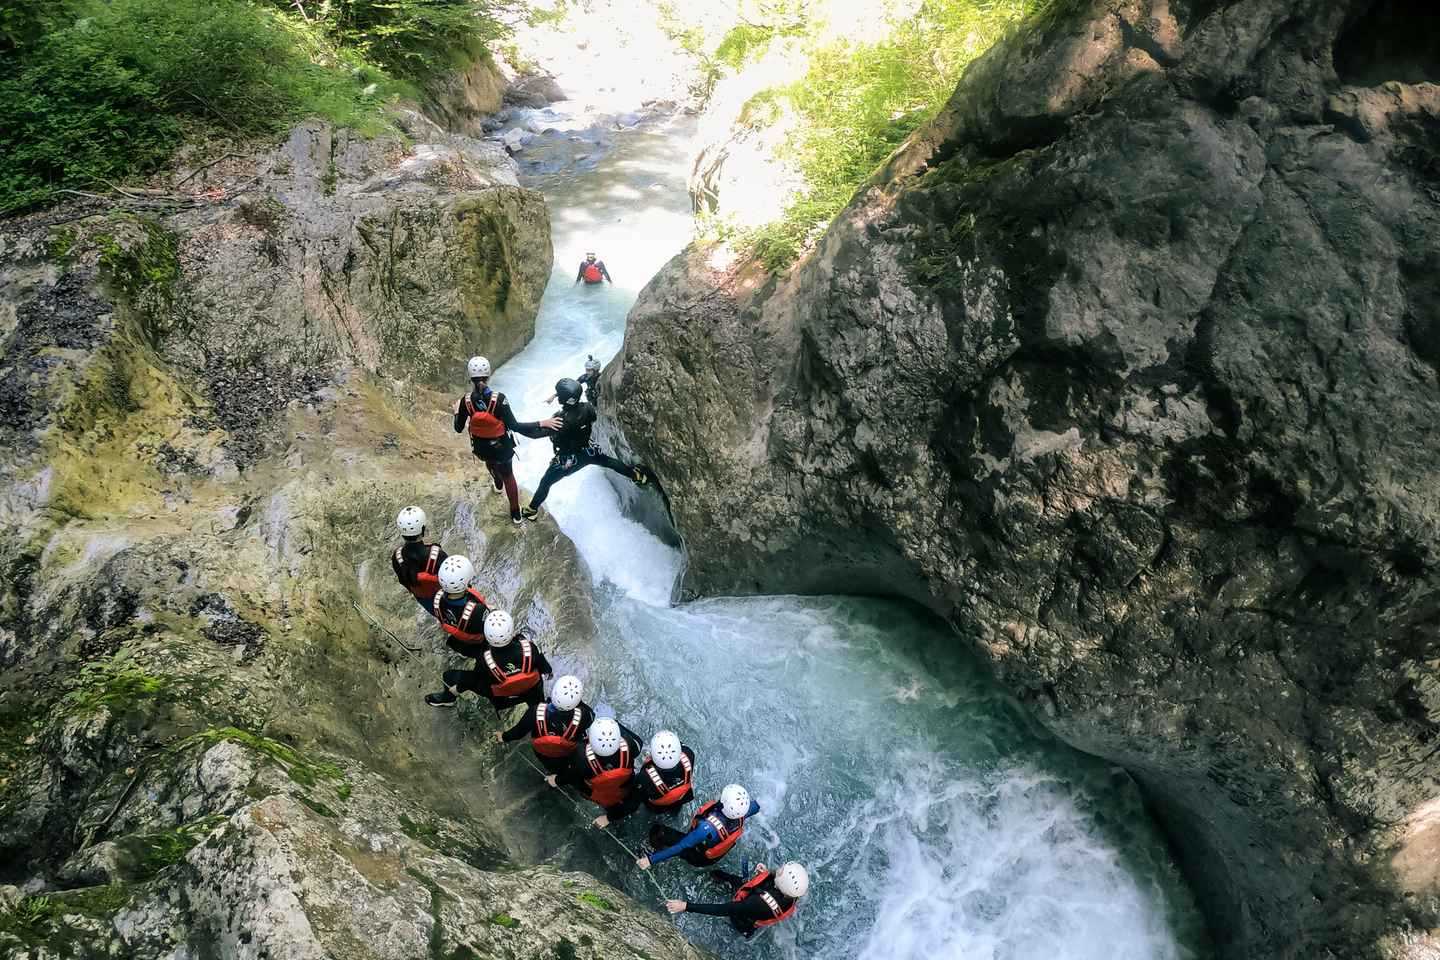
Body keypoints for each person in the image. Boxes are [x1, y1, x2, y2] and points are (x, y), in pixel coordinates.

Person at [519, 378, 652, 521]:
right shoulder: (588, 408)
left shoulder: (560, 421)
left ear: (564, 399)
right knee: (608, 462)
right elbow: (585, 414)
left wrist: (517, 425)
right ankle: (638, 476)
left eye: (559, 395)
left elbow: (534, 434)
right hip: (588, 450)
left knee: (545, 483)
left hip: (568, 460)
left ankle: (531, 510)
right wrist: (557, 395)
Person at [453, 355, 557, 524]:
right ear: (488, 375)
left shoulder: (465, 401)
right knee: (509, 476)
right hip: (501, 447)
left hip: (481, 447)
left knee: (490, 462)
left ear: (470, 377)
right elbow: (514, 426)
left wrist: (457, 410)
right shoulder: (499, 399)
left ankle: (497, 483)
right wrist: (541, 423)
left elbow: (458, 428)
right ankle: (515, 514)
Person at [664, 861, 810, 938]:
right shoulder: (792, 894)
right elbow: (779, 880)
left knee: (733, 918)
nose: (779, 869)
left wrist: (685, 906)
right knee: (719, 874)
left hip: (743, 918)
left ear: (782, 883)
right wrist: (767, 872)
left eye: (781, 871)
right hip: (756, 897)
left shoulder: (757, 904)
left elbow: (722, 909)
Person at [637, 783, 758, 870]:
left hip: (698, 855)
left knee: (658, 832)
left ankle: (657, 851)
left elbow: (681, 846)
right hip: (712, 853)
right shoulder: (740, 813)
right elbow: (756, 806)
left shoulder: (706, 828)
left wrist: (650, 860)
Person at [424, 556, 490, 707]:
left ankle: (465, 653)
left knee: (459, 643)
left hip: (459, 640)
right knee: (455, 675)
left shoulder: (438, 599)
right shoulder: (477, 610)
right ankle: (449, 698)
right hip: (479, 643)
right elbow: (488, 629)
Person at [594, 729, 695, 828]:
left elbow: (632, 805)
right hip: (681, 798)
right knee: (673, 810)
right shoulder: (689, 754)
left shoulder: (645, 778)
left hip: (657, 806)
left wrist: (608, 818)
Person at [496, 674, 594, 773]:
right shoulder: (584, 715)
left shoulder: (535, 712)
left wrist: (504, 737)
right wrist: (579, 703)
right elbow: (590, 718)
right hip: (567, 752)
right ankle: (560, 774)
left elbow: (518, 732)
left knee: (549, 765)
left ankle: (551, 771)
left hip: (543, 752)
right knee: (565, 764)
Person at [546, 716, 643, 811]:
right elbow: (639, 743)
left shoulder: (581, 756)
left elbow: (571, 777)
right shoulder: (629, 743)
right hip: (625, 784)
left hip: (599, 791)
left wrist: (556, 780)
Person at [472, 609, 552, 713]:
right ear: (511, 630)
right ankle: (539, 709)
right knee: (537, 705)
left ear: (486, 634)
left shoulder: (484, 660)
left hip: (506, 697)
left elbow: (480, 680)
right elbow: (544, 667)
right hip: (532, 690)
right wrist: (549, 672)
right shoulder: (529, 649)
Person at [390, 506, 448, 607]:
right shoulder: (437, 555)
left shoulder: (396, 556)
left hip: (422, 599)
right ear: (423, 529)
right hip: (443, 598)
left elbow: (403, 581)